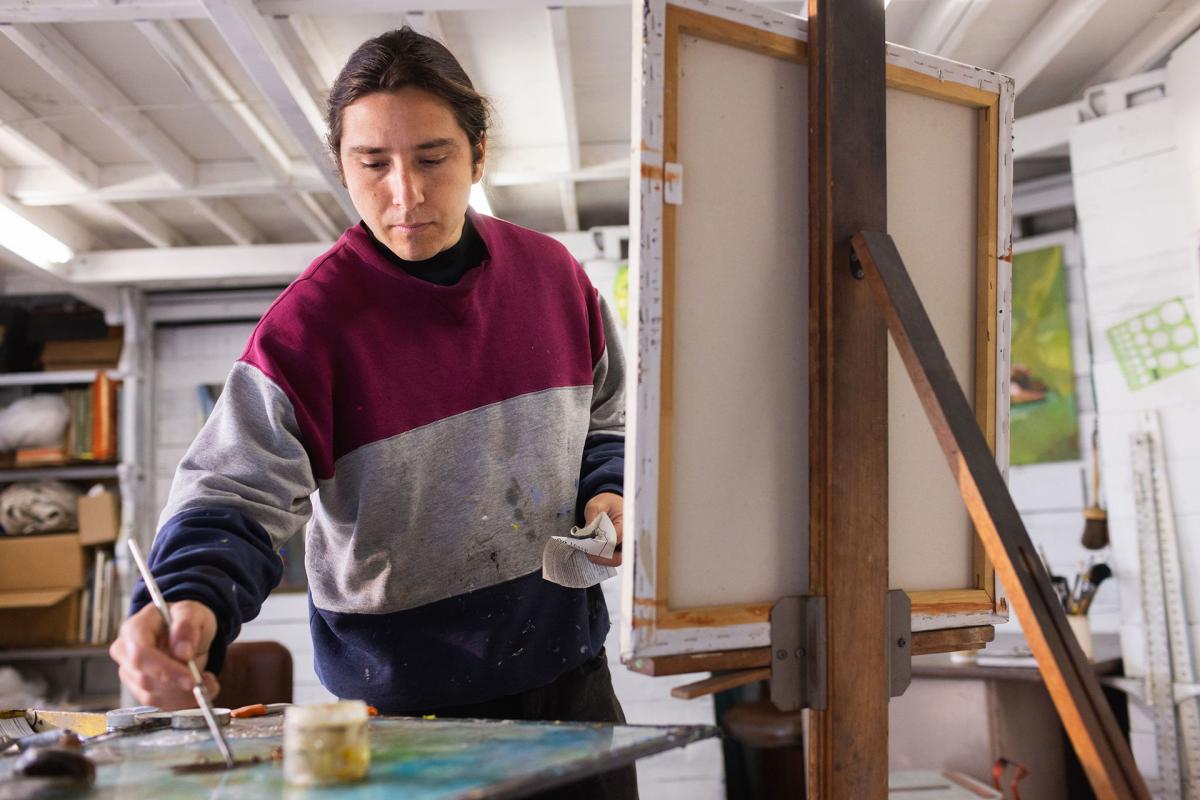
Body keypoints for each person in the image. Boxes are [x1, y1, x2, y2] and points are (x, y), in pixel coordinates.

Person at [108, 27, 635, 799]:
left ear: (477, 155)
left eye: (432, 158)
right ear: (340, 166)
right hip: (403, 717)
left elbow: (609, 421)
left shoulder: (554, 279)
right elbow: (233, 495)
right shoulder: (306, 331)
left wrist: (607, 489)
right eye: (373, 164)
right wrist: (190, 599)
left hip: (572, 686)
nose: (406, 194)